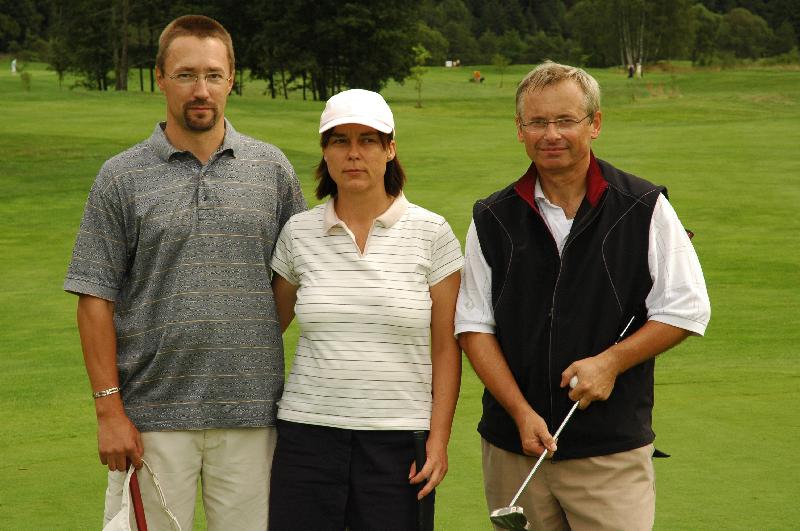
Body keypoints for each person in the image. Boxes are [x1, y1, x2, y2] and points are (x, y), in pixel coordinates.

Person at [63, 15, 306, 530]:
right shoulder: (121, 177)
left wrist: (248, 333)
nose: (201, 90)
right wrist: (109, 412)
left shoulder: (272, 170)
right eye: (186, 75)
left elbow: (293, 279)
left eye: (213, 75)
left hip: (251, 414)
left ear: (231, 79)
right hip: (149, 417)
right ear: (160, 78)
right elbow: (94, 298)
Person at [455, 61, 710, 530]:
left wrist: (611, 362)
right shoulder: (491, 217)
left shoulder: (644, 206)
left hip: (609, 452)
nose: (551, 134)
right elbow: (473, 326)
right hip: (514, 450)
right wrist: (520, 412)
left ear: (594, 124)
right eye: (537, 122)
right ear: (520, 130)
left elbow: (686, 308)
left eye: (566, 120)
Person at [268, 88, 463, 530]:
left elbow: (446, 348)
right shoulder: (298, 232)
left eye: (368, 140)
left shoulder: (432, 233)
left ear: (390, 149)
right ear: (325, 151)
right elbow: (267, 329)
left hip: (399, 441)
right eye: (340, 140)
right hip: (307, 436)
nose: (353, 153)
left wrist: (438, 439)